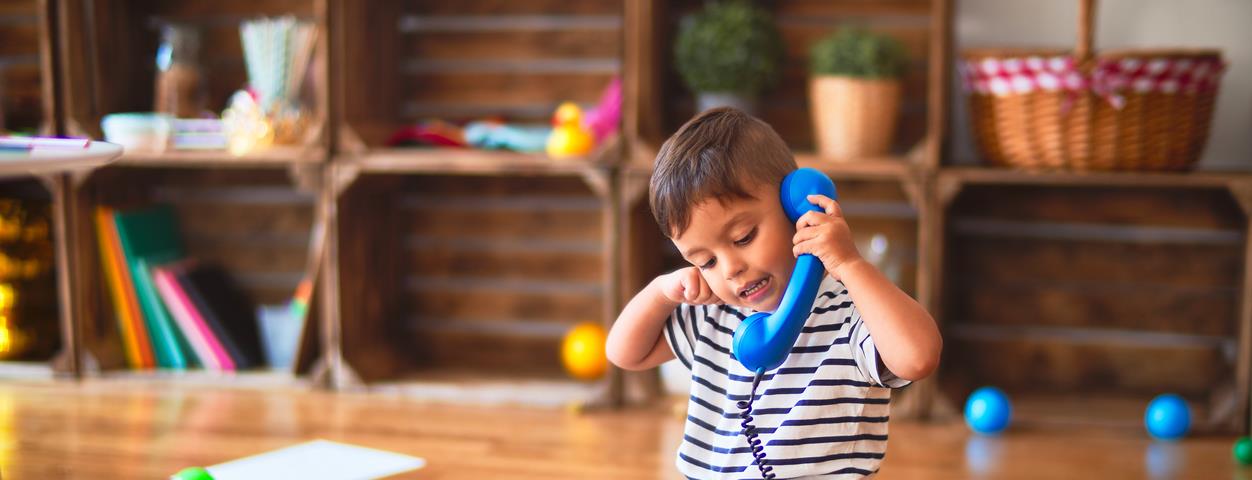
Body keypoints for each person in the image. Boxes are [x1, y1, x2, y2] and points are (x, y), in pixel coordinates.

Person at [606, 107, 942, 479]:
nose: (730, 268)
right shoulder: (713, 314)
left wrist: (849, 264)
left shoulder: (851, 314)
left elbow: (918, 357)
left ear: (795, 207)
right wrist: (659, 293)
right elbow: (624, 353)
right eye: (706, 261)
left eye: (743, 237)